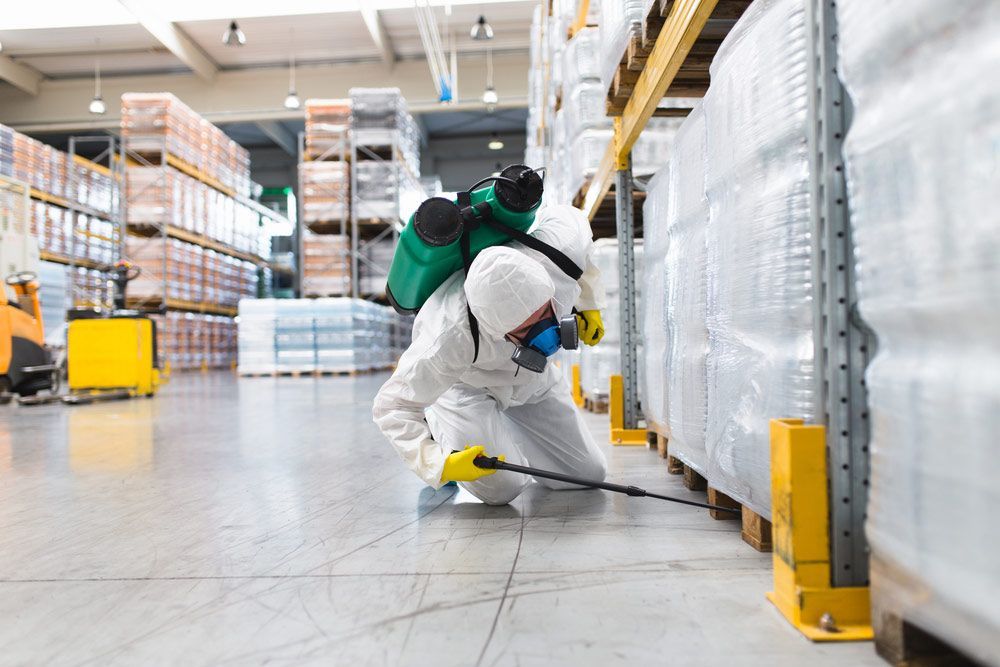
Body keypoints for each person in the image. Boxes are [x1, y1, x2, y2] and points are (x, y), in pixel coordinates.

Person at [373, 204, 609, 505]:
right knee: (502, 489)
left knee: (588, 474)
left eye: (544, 315)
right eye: (526, 331)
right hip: (468, 387)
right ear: (495, 330)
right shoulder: (449, 336)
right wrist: (437, 462)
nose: (546, 332)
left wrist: (590, 303)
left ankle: (509, 431)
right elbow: (390, 406)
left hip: (533, 381)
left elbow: (576, 227)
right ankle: (439, 429)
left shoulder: (556, 254)